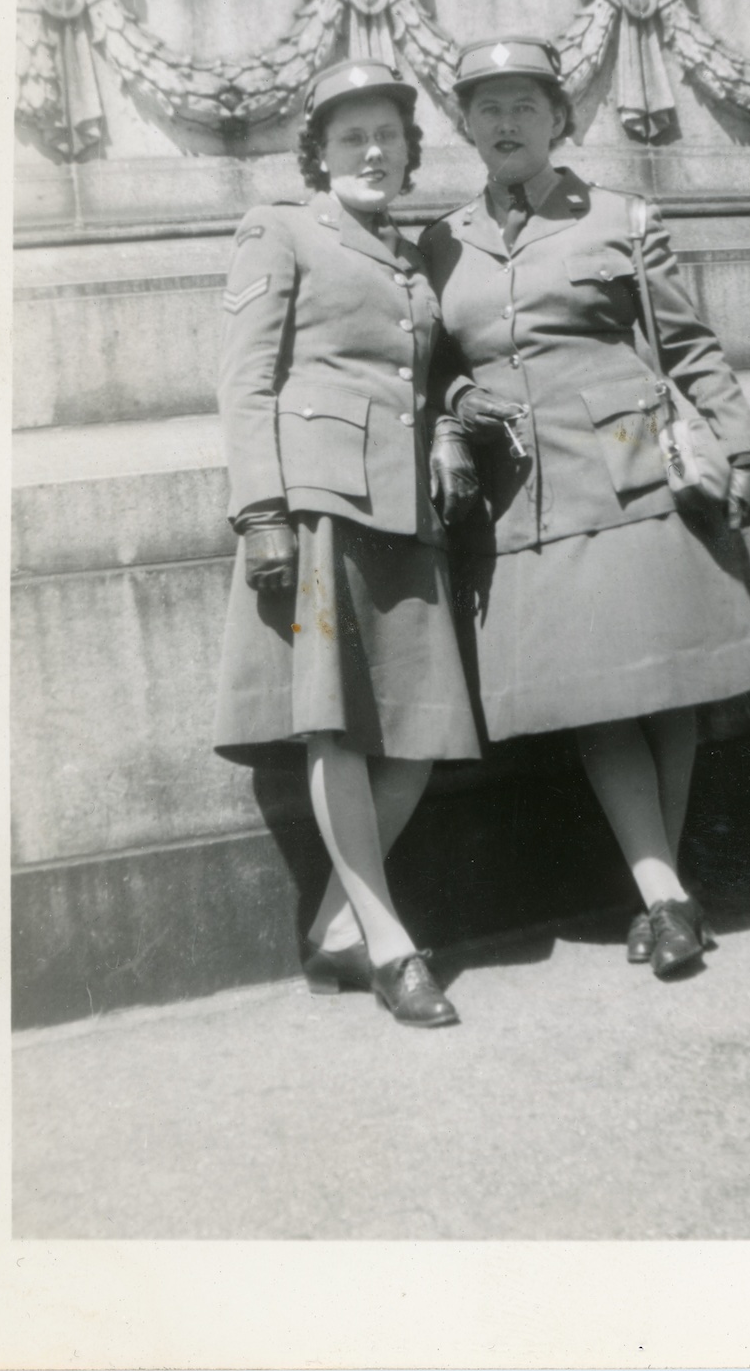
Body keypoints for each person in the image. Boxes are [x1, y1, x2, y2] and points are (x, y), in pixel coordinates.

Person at [421, 35, 750, 981]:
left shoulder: (618, 216)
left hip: (634, 472)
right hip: (526, 496)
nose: (505, 122)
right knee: (596, 695)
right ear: (464, 125)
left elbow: (690, 345)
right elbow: (438, 366)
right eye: (486, 107)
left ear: (560, 119)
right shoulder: (440, 242)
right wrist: (458, 404)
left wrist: (744, 447)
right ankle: (666, 888)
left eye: (524, 106)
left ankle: (663, 895)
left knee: (657, 681)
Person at [213, 57, 481, 1028]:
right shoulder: (279, 231)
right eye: (350, 137)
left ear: (411, 151)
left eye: (389, 136)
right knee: (335, 722)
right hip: (320, 503)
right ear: (318, 156)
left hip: (408, 512)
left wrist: (451, 432)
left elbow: (434, 377)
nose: (374, 151)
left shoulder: (414, 259)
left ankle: (337, 924)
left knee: (418, 730)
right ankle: (390, 939)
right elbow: (243, 382)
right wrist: (262, 512)